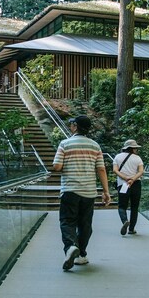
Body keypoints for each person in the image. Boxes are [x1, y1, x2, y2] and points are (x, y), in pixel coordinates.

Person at [53, 114, 111, 271]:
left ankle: (71, 246)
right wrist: (106, 191)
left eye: (72, 124)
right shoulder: (95, 146)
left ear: (75, 127)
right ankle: (81, 254)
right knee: (85, 224)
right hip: (89, 191)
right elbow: (101, 169)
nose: (70, 126)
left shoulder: (65, 144)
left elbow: (57, 167)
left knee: (67, 221)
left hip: (70, 190)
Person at [113, 139, 145, 236]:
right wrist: (132, 179)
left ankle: (125, 221)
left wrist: (126, 178)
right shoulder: (138, 158)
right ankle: (131, 229)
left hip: (123, 184)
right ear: (132, 148)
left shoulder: (117, 157)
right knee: (134, 207)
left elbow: (115, 170)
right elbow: (141, 171)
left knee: (122, 206)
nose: (136, 150)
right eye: (135, 148)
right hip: (136, 184)